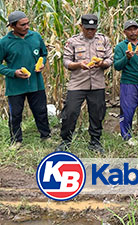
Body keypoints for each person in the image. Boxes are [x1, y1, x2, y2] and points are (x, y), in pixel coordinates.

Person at [56, 14, 113, 153]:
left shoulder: (103, 40)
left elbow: (110, 58)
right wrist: (78, 65)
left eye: (93, 29)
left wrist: (102, 63)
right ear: (81, 27)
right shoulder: (73, 41)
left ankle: (95, 141)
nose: (90, 32)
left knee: (97, 113)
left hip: (97, 83)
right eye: (87, 28)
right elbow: (66, 61)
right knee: (70, 112)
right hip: (77, 83)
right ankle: (66, 140)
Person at [0, 11, 51, 149]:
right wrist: (13, 72)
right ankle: (16, 140)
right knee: (15, 114)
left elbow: (43, 54)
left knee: (41, 111)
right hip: (15, 86)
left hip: (36, 83)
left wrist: (42, 63)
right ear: (12, 26)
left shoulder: (36, 37)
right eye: (23, 25)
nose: (27, 26)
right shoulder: (4, 42)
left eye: (28, 23)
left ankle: (45, 136)